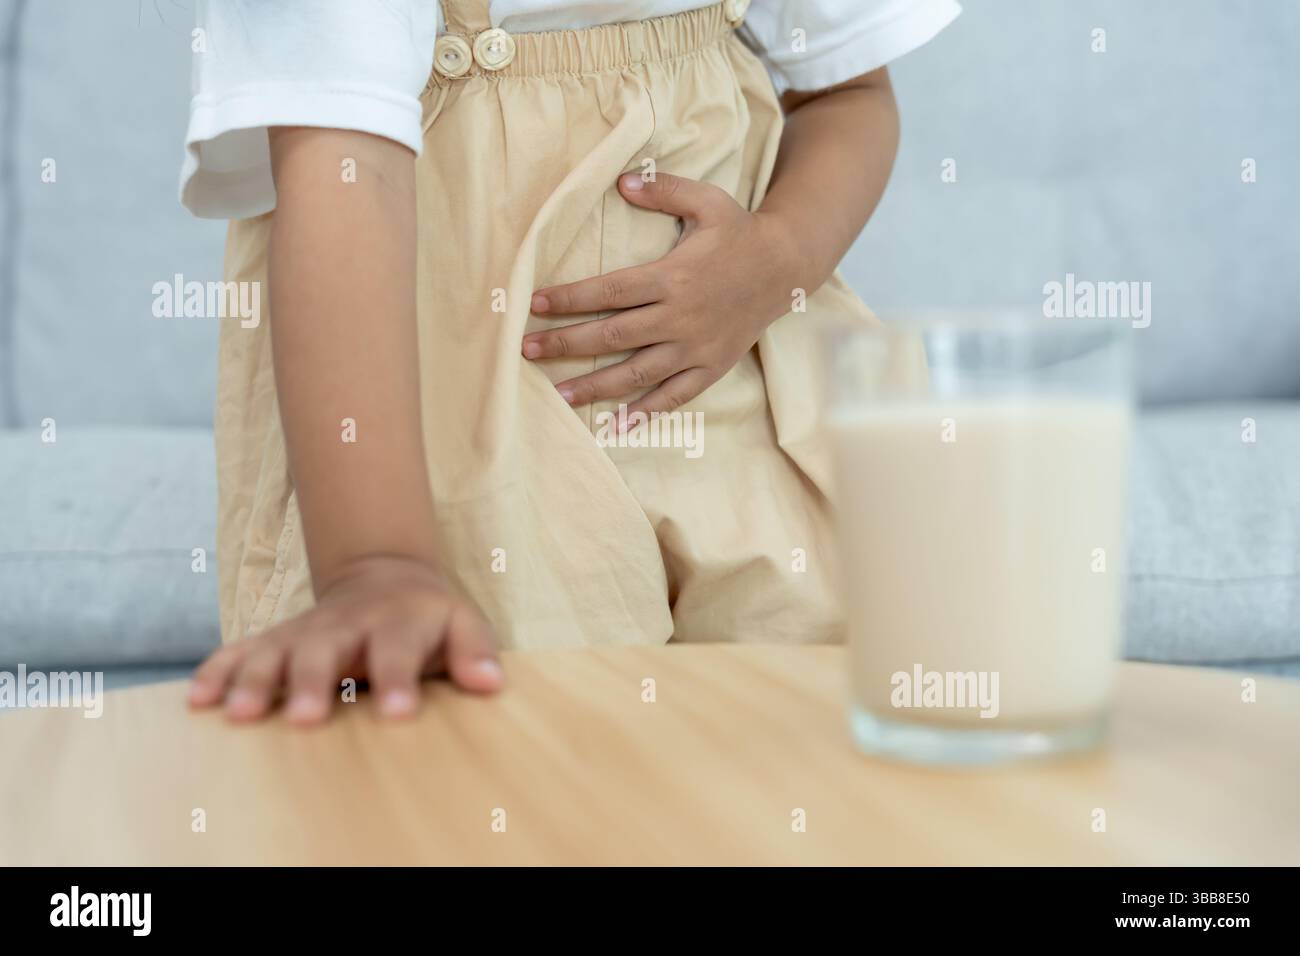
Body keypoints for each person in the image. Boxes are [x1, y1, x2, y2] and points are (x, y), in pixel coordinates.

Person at [181, 0, 960, 724]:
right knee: (494, 763)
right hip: (442, 429)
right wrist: (375, 567)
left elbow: (847, 93)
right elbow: (341, 165)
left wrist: (780, 254)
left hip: (744, 376)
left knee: (805, 741)